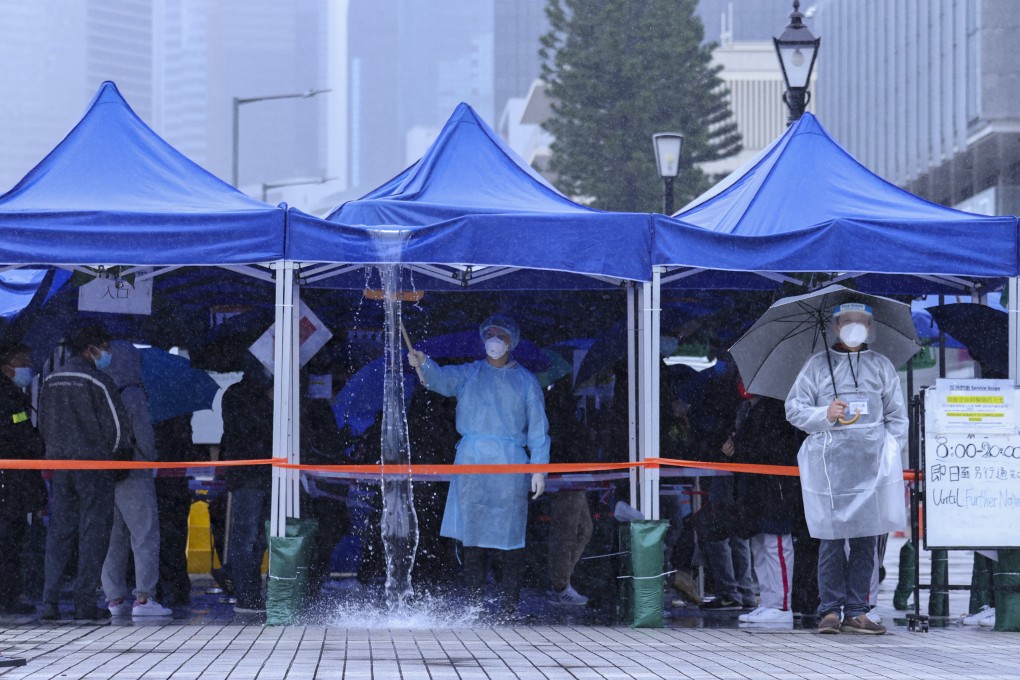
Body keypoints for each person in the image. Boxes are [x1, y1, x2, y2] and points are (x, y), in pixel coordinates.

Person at [407, 314, 549, 617]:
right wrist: (424, 363)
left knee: (510, 537)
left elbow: (538, 430)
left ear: (513, 340)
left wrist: (539, 469)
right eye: (490, 334)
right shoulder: (469, 374)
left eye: (501, 334)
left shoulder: (526, 382)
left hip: (510, 466)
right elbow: (441, 380)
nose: (494, 340)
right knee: (471, 536)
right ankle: (474, 604)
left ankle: (509, 605)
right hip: (471, 462)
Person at [786, 302, 907, 635]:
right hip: (830, 468)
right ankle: (829, 610)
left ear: (870, 326)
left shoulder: (882, 367)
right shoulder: (816, 366)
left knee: (867, 542)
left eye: (861, 321)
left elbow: (897, 417)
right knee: (831, 540)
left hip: (871, 469)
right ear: (836, 327)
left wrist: (888, 454)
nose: (855, 327)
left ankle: (857, 610)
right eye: (848, 321)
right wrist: (825, 413)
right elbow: (794, 409)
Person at [38, 323, 130, 621]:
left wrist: (56, 450)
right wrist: (115, 462)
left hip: (60, 466)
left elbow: (43, 425)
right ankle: (84, 602)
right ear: (92, 349)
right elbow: (118, 431)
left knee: (60, 531)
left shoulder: (51, 380)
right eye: (105, 347)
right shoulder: (99, 381)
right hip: (94, 467)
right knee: (94, 532)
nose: (108, 354)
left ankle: (49, 602)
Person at [100, 340, 172, 618]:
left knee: (113, 537)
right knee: (144, 533)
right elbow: (143, 434)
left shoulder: (102, 388)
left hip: (106, 470)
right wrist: (150, 458)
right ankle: (144, 597)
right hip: (134, 469)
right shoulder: (132, 392)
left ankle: (114, 598)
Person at [725, 390, 804, 625]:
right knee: (760, 545)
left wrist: (739, 444)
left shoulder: (777, 409)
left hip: (775, 487)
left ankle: (781, 605)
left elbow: (773, 448)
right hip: (756, 488)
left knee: (776, 544)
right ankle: (769, 601)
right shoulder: (748, 409)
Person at [220, 357, 274, 613]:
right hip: (249, 474)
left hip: (259, 473)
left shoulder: (243, 395)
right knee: (248, 535)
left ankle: (250, 590)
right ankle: (247, 593)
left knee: (259, 536)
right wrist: (270, 403)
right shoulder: (240, 395)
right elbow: (250, 429)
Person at [0, 342, 48, 614]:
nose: (27, 366)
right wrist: (37, 444)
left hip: (10, 481)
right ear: (7, 366)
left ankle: (8, 595)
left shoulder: (11, 393)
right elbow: (19, 435)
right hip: (10, 483)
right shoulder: (9, 397)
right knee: (9, 541)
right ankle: (7, 598)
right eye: (23, 360)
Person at [544, 381, 592, 606]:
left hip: (575, 476)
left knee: (582, 529)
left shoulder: (568, 413)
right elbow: (566, 441)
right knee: (566, 533)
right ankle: (560, 585)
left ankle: (560, 580)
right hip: (567, 477)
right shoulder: (563, 415)